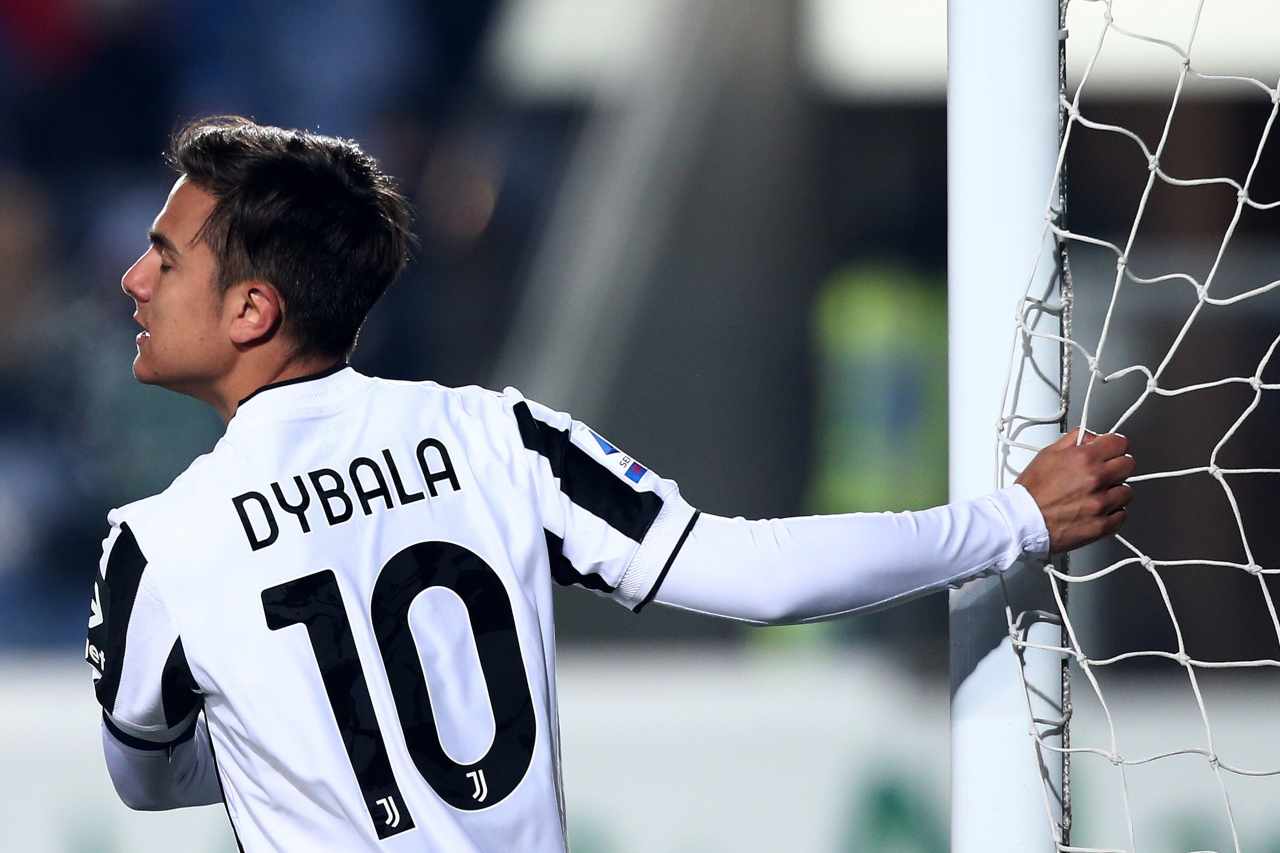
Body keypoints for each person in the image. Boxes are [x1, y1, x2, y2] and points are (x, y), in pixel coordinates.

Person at [86, 116, 1134, 852]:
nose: (134, 280)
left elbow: (146, 779)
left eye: (163, 258)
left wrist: (293, 731)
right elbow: (755, 572)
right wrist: (1012, 518)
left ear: (253, 310)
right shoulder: (498, 436)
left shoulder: (160, 544)